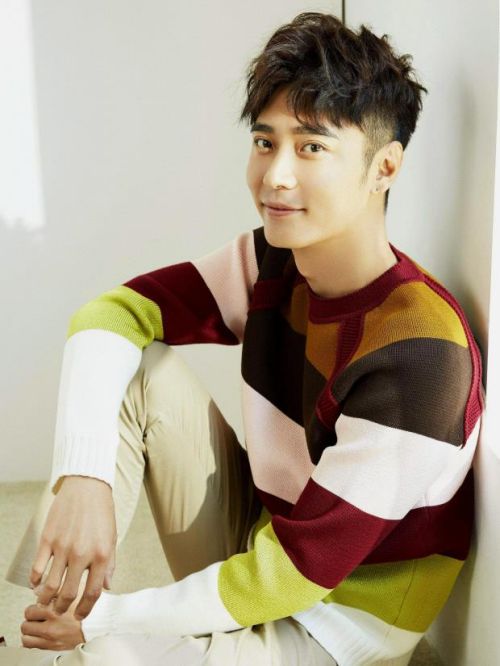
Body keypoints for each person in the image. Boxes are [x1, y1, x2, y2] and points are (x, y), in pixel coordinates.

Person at [2, 10, 485, 666]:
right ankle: (33, 630)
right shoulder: (276, 261)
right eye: (264, 141)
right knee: (136, 369)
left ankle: (61, 633)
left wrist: (107, 620)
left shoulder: (421, 354)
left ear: (384, 167)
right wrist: (85, 474)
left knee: (108, 652)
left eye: (311, 147)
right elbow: (113, 312)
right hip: (263, 544)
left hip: (337, 630)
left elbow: (293, 577)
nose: (275, 175)